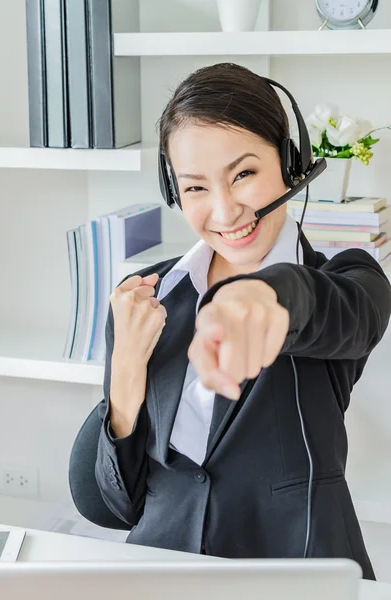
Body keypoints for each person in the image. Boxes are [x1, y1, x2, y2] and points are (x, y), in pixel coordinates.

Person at [69, 63, 391, 580]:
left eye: (243, 174)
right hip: (161, 570)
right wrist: (127, 371)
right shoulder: (148, 300)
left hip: (295, 574)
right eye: (195, 188)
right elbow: (116, 505)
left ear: (291, 163)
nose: (224, 211)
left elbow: (346, 313)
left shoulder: (345, 279)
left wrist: (267, 293)